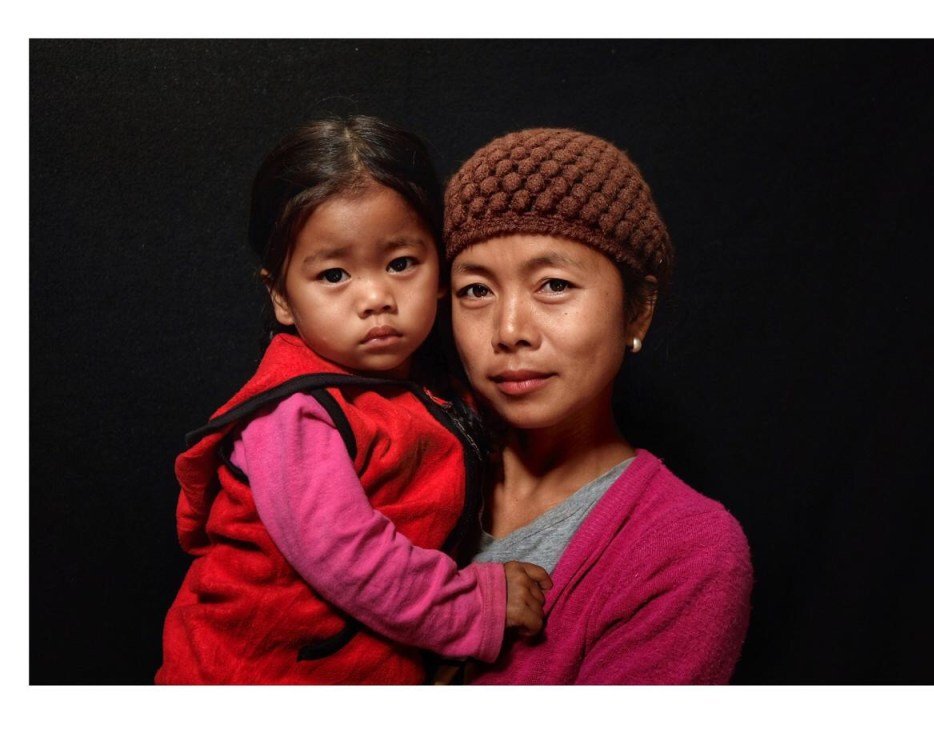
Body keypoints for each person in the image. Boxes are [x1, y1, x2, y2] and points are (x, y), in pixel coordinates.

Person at [156, 116, 551, 685]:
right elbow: (348, 557)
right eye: (335, 274)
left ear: (442, 269)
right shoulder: (292, 415)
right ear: (281, 296)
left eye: (401, 264)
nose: (376, 297)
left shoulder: (433, 382)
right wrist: (475, 605)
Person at [443, 127, 753, 684]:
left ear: (638, 312)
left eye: (554, 285)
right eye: (476, 290)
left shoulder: (684, 552)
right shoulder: (394, 458)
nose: (509, 330)